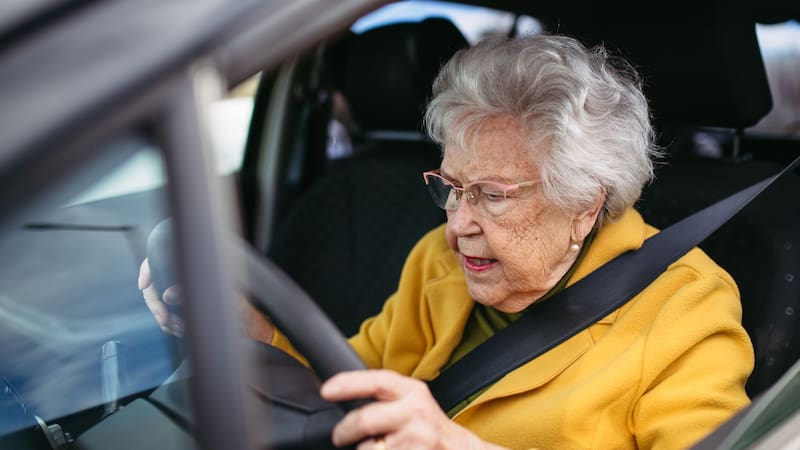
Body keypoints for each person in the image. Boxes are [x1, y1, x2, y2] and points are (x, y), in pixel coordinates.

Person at [140, 33, 754, 449]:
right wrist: (252, 332)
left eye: (491, 193)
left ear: (585, 202)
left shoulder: (685, 312)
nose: (457, 222)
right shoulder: (440, 261)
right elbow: (350, 379)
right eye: (452, 187)